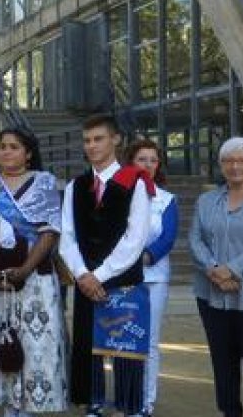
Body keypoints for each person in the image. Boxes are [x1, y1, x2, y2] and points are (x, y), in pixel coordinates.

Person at [59, 114, 152, 417]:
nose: (92, 145)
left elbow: (134, 238)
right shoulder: (76, 186)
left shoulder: (134, 181)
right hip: (86, 280)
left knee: (126, 348)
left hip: (121, 278)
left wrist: (97, 275)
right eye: (87, 140)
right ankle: (94, 401)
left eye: (98, 138)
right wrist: (83, 275)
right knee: (88, 346)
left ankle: (130, 406)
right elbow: (67, 237)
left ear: (115, 140)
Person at [0, 128, 68, 415]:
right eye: (2, 146)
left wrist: (24, 270)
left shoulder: (44, 182)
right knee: (0, 343)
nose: (6, 152)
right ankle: (6, 409)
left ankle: (27, 410)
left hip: (34, 280)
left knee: (33, 344)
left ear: (28, 153)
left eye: (14, 147)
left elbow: (49, 231)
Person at [189, 137, 243, 417]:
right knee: (222, 360)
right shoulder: (206, 200)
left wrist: (231, 270)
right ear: (220, 165)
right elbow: (195, 240)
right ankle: (229, 411)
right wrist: (214, 270)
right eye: (229, 160)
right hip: (212, 295)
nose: (235, 166)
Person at [126, 139, 178, 417]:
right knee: (123, 339)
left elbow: (167, 238)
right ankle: (127, 399)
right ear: (130, 162)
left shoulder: (167, 199)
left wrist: (142, 258)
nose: (147, 165)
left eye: (153, 160)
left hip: (153, 278)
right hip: (122, 278)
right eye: (141, 159)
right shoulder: (118, 194)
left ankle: (146, 402)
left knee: (149, 341)